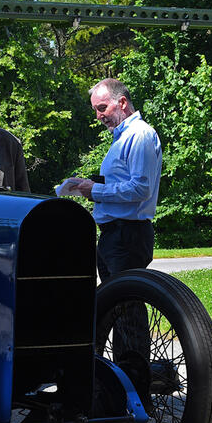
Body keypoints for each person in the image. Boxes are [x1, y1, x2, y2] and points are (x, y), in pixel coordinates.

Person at [64, 78, 162, 281]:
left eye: (102, 108)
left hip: (127, 235)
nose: (99, 116)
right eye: (95, 110)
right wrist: (89, 187)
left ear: (122, 103)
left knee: (126, 305)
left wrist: (96, 191)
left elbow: (141, 188)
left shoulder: (139, 135)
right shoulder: (122, 137)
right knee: (115, 305)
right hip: (116, 234)